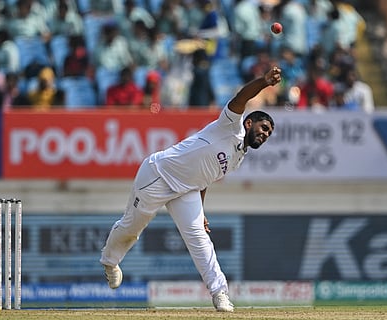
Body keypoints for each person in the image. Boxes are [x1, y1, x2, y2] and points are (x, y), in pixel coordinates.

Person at [100, 67, 282, 312]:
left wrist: (202, 209)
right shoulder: (230, 126)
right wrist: (263, 82)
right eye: (263, 128)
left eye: (268, 133)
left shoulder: (239, 158)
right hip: (159, 175)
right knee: (132, 228)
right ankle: (110, 261)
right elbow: (241, 97)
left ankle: (220, 293)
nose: (265, 134)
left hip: (187, 190)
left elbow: (205, 177)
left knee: (200, 239)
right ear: (249, 123)